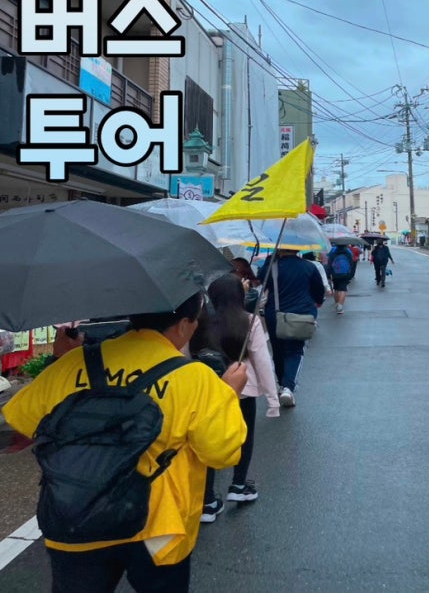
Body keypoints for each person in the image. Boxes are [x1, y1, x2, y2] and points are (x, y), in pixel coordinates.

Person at [2, 293, 248, 593]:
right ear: (184, 325)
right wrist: (229, 396)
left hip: (76, 516)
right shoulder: (196, 378)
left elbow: (23, 423)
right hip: (158, 529)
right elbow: (221, 452)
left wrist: (62, 361)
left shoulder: (78, 361)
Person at [202, 274, 280, 516]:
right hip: (243, 388)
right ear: (240, 295)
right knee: (244, 436)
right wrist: (273, 399)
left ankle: (206, 500)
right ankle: (238, 484)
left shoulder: (202, 321)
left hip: (209, 389)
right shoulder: (249, 321)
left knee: (207, 440)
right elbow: (262, 361)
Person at [258, 249, 326, 407]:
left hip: (275, 314)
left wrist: (269, 260)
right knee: (295, 351)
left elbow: (262, 281)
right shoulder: (308, 267)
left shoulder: (272, 266)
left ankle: (282, 384)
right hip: (300, 314)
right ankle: (288, 388)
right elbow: (318, 290)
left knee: (278, 350)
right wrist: (318, 301)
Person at [327, 243, 354, 313]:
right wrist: (350, 273)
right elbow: (351, 263)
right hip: (345, 273)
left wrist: (328, 274)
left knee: (336, 288)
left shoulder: (333, 252)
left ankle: (337, 303)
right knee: (343, 289)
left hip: (335, 273)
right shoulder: (348, 252)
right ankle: (340, 306)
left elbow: (329, 264)